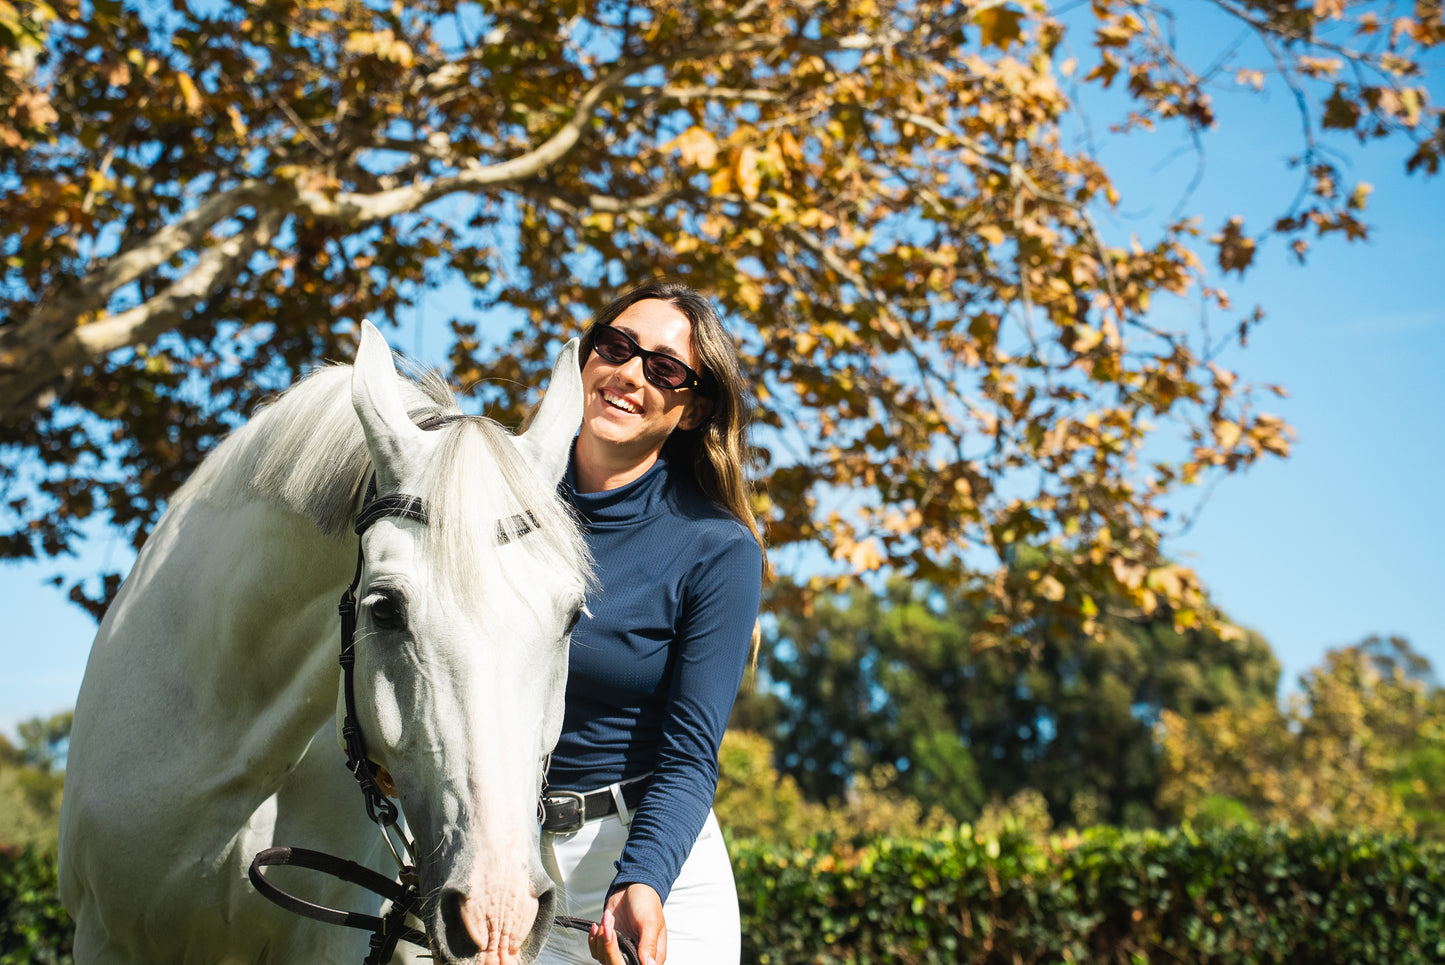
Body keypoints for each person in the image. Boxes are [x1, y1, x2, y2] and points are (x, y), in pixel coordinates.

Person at [536, 280, 765, 965]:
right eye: (615, 346)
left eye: (662, 368)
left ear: (691, 409)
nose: (629, 373)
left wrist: (641, 879)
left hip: (652, 871)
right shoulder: (499, 503)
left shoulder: (717, 549)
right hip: (503, 861)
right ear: (585, 357)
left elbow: (689, 755)